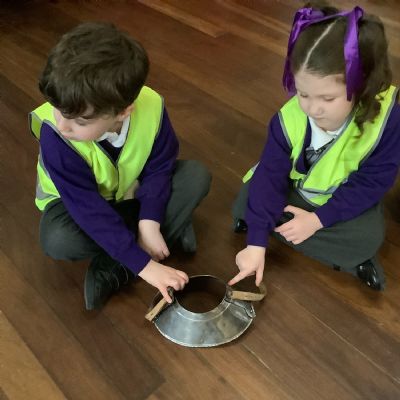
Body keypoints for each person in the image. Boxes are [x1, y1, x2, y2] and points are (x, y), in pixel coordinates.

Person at [29, 22, 211, 310]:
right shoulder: (56, 136)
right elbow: (87, 208)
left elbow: (160, 168)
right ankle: (163, 233)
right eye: (58, 110)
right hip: (75, 207)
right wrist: (145, 266)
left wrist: (149, 223)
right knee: (58, 239)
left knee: (196, 176)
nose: (63, 125)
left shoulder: (152, 106)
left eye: (80, 121)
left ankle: (124, 253)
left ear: (123, 112)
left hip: (127, 195)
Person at [230, 1, 400, 291]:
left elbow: (373, 182)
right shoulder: (286, 120)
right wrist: (256, 243)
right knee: (251, 196)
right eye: (302, 93)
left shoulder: (388, 120)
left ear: (360, 86)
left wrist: (318, 220)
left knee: (367, 236)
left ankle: (278, 228)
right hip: (295, 192)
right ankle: (275, 230)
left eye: (328, 99)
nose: (312, 109)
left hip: (339, 199)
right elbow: (270, 177)